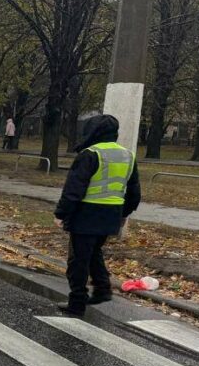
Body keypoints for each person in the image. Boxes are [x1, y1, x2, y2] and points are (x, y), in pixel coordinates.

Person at [53, 114, 141, 316]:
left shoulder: (90, 154)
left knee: (78, 261)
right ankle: (102, 289)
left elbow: (74, 189)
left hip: (86, 214)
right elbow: (134, 192)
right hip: (111, 215)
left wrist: (61, 213)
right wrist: (124, 213)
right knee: (93, 252)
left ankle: (77, 303)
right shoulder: (128, 155)